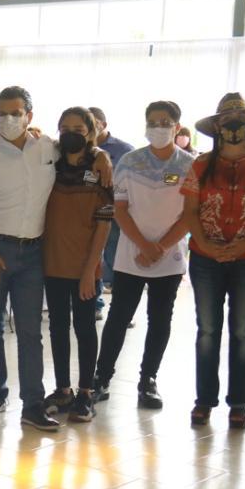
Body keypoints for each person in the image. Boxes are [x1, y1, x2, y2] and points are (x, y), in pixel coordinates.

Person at [0, 86, 111, 430]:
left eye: (15, 113)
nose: (8, 119)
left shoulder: (47, 148)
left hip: (33, 254)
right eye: (1, 113)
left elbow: (82, 147)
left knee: (31, 331)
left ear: (29, 115)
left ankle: (32, 405)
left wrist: (101, 153)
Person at [182, 93, 245, 429]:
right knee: (207, 330)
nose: (235, 126)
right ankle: (204, 400)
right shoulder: (200, 165)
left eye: (241, 120)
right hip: (205, 259)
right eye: (227, 120)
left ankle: (238, 402)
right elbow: (190, 211)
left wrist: (242, 245)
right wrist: (208, 245)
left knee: (242, 331)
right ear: (217, 127)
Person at [93, 101, 194, 410]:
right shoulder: (129, 161)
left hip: (169, 257)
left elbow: (190, 215)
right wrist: (144, 245)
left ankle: (148, 381)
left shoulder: (190, 166)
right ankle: (101, 378)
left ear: (177, 127)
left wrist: (160, 247)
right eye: (153, 122)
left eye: (165, 122)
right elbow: (120, 209)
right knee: (119, 317)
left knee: (160, 320)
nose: (158, 127)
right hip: (131, 254)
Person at [41, 107, 114, 423]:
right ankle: (63, 390)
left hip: (85, 266)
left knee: (84, 328)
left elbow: (104, 223)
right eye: (65, 128)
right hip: (52, 263)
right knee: (57, 327)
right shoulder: (50, 166)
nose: (71, 133)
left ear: (91, 132)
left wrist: (90, 270)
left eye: (79, 129)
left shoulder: (99, 170)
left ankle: (86, 392)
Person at [89, 107, 134, 315]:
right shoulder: (81, 148)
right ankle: (95, 304)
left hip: (116, 212)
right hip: (88, 211)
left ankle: (121, 309)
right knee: (92, 258)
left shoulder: (124, 150)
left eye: (94, 123)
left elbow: (132, 181)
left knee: (116, 259)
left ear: (103, 125)